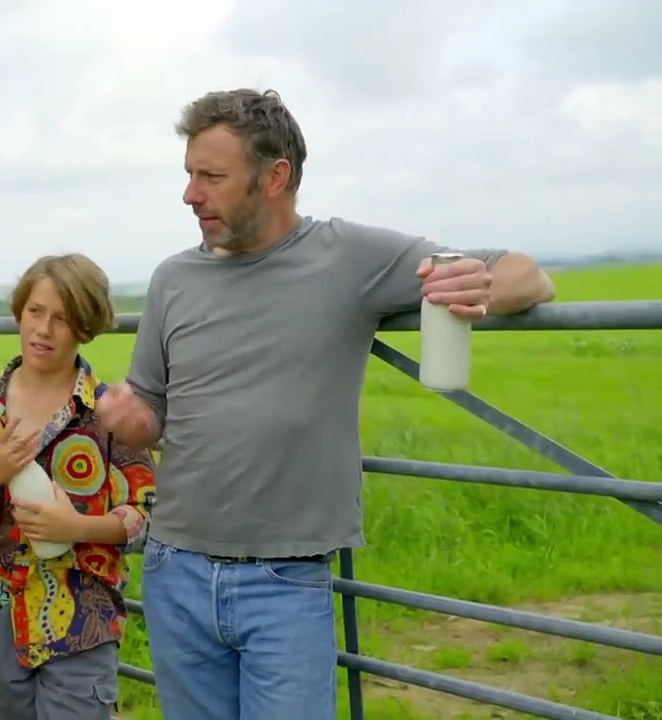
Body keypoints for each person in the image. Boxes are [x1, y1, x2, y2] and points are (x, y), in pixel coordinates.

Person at [96, 89, 557, 720]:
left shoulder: (348, 257)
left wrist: (476, 287)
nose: (190, 195)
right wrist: (131, 420)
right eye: (189, 175)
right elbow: (149, 405)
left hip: (285, 583)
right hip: (175, 569)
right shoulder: (172, 279)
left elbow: (529, 276)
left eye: (212, 177)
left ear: (275, 177)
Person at [0, 254, 158, 720]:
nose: (43, 330)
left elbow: (145, 512)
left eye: (61, 318)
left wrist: (76, 527)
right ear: (19, 312)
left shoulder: (108, 412)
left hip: (83, 615)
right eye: (35, 311)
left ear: (85, 325)